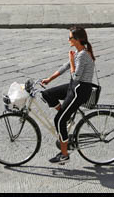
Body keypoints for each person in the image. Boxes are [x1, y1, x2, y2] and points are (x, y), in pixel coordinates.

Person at [40, 27, 98, 164]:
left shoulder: (83, 55)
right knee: (47, 94)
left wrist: (72, 61)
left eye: (70, 37)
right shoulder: (79, 52)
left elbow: (76, 76)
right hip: (74, 86)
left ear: (77, 39)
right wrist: (49, 79)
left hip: (80, 90)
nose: (68, 40)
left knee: (59, 120)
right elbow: (64, 67)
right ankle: (66, 117)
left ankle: (64, 154)